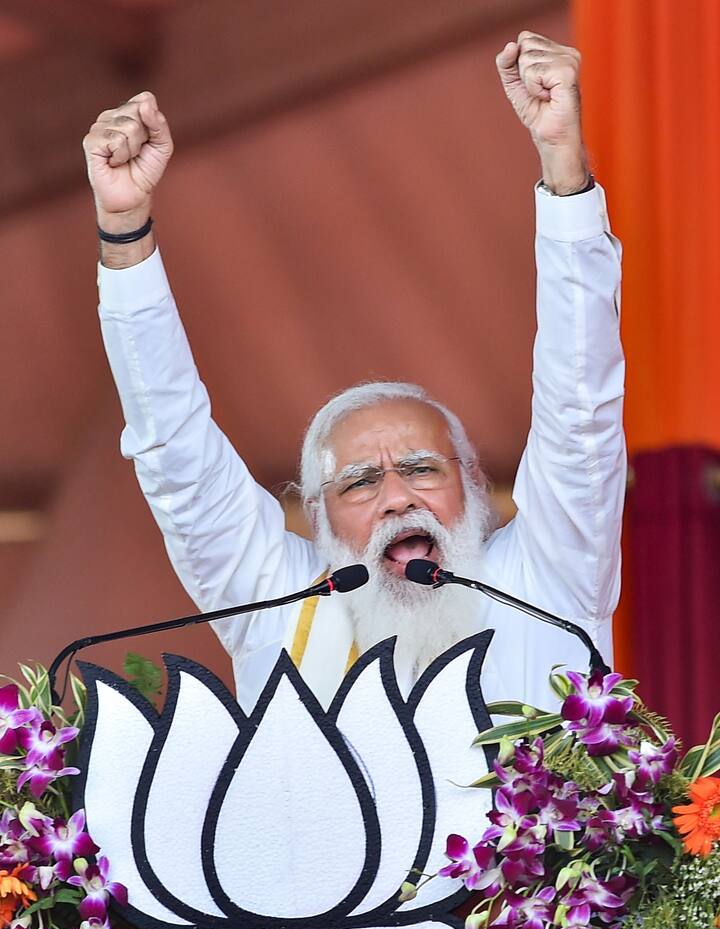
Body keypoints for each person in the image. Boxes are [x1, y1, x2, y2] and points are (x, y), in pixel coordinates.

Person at [84, 32, 625, 715]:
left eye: (424, 467)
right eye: (361, 481)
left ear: (478, 486)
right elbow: (176, 454)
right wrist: (124, 225)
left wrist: (563, 165)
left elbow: (582, 407)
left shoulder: (547, 578)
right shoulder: (279, 604)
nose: (398, 496)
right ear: (316, 517)